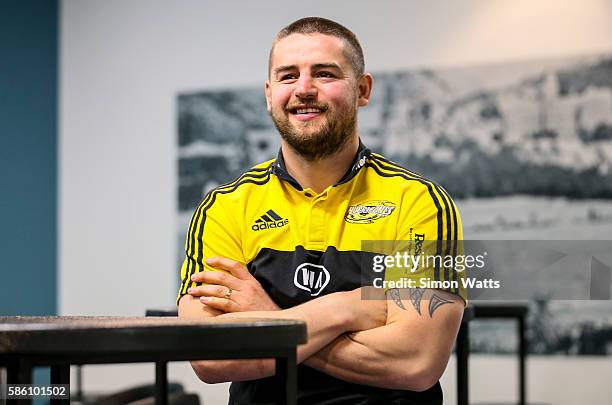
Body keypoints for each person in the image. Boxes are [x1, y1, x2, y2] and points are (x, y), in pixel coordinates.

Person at [177, 17, 466, 405]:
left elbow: (416, 362)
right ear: (268, 93)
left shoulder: (419, 203)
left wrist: (267, 318)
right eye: (287, 76)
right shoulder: (224, 208)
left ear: (362, 90)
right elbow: (211, 357)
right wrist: (343, 308)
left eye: (325, 74)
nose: (304, 89)